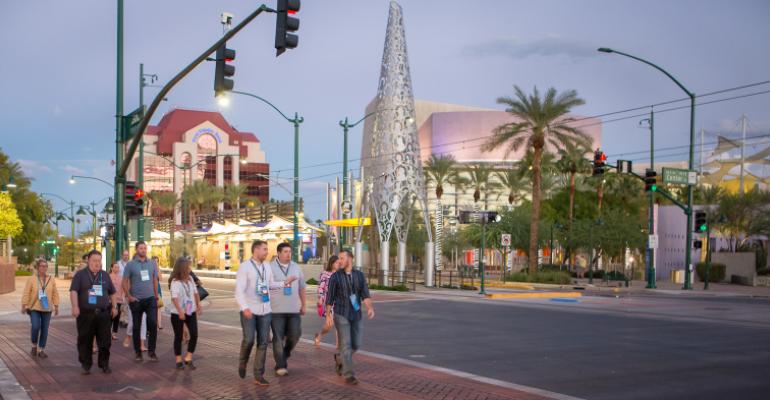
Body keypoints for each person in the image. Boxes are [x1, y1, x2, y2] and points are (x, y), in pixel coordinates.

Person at [235, 240, 296, 386]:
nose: (267, 252)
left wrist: (284, 283)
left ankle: (258, 375)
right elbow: (239, 291)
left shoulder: (267, 267)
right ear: (256, 250)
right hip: (249, 310)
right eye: (264, 249)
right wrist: (245, 307)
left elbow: (270, 284)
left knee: (262, 343)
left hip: (265, 310)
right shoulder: (245, 267)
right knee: (249, 340)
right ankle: (243, 362)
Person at [325, 249, 374, 385]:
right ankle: (349, 374)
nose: (339, 261)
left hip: (356, 313)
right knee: (346, 344)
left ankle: (340, 358)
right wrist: (328, 314)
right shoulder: (335, 277)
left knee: (356, 344)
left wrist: (370, 307)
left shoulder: (359, 275)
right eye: (338, 258)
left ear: (350, 258)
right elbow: (330, 297)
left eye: (342, 258)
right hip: (341, 314)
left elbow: (365, 294)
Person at [69, 250, 117, 375]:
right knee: (85, 341)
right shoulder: (80, 275)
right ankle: (86, 364)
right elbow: (73, 291)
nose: (97, 263)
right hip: (86, 314)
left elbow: (112, 292)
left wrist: (114, 307)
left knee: (105, 341)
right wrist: (75, 306)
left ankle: (104, 364)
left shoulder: (105, 275)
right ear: (88, 261)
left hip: (103, 314)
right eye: (94, 260)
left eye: (99, 261)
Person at [269, 243, 306, 377]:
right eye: (285, 252)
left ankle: (285, 353)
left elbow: (302, 287)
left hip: (293, 309)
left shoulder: (296, 267)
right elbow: (265, 287)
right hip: (276, 310)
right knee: (278, 338)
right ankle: (281, 365)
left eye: (290, 252)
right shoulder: (270, 267)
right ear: (278, 253)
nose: (288, 254)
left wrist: (304, 305)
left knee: (295, 334)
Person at [122, 241, 160, 362]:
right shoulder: (130, 265)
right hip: (136, 300)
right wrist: (129, 296)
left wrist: (156, 295)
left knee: (153, 324)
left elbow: (155, 280)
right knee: (136, 327)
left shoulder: (152, 263)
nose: (143, 250)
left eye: (145, 248)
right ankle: (138, 353)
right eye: (141, 248)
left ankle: (152, 352)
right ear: (136, 249)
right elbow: (124, 281)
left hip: (150, 299)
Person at [21, 259, 59, 358]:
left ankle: (41, 349)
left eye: (45, 266)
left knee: (45, 329)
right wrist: (24, 305)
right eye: (42, 266)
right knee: (36, 326)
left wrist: (56, 306)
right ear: (38, 267)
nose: (44, 268)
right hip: (34, 307)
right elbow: (26, 292)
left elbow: (55, 293)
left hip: (47, 308)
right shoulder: (32, 279)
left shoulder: (51, 279)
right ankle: (34, 345)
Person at [168, 257, 201, 370]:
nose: (190, 268)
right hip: (177, 313)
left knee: (194, 334)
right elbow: (174, 298)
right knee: (178, 336)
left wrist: (198, 305)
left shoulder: (191, 279)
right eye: (188, 266)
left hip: (190, 310)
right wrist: (180, 311)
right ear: (182, 268)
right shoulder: (175, 281)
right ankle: (178, 359)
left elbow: (196, 293)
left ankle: (188, 357)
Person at [314, 255, 339, 346]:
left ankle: (338, 347)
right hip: (328, 302)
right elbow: (321, 287)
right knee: (329, 325)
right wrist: (320, 298)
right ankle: (319, 335)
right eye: (336, 262)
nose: (338, 264)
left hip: (339, 302)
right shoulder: (325, 274)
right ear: (331, 263)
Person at [109, 262, 124, 340]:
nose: (117, 269)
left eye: (118, 267)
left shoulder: (121, 277)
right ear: (111, 268)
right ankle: (108, 332)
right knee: (110, 317)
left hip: (119, 300)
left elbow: (122, 289)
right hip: (110, 300)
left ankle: (114, 333)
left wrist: (122, 298)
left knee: (117, 318)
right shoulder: (108, 277)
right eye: (115, 267)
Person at [153, 256, 164, 331]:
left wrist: (158, 270)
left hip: (158, 289)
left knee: (159, 307)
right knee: (153, 309)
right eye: (154, 261)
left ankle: (159, 324)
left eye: (157, 261)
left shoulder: (158, 269)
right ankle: (155, 325)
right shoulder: (149, 269)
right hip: (151, 289)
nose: (156, 263)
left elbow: (161, 279)